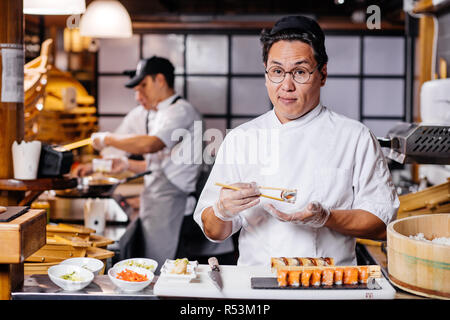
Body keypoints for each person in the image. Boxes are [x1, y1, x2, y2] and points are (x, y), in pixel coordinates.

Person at [193, 15, 399, 267]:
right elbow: (214, 231)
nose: (286, 85)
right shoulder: (241, 139)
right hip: (258, 287)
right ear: (266, 75)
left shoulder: (355, 137)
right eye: (277, 72)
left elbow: (381, 224)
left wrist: (325, 217)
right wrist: (222, 210)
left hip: (330, 286)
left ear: (322, 74)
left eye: (300, 72)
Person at [76, 56, 204, 270]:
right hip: (158, 200)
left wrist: (106, 138)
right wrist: (125, 164)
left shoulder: (180, 111)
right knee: (155, 267)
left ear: (160, 80)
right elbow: (160, 164)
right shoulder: (160, 113)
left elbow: (150, 145)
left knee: (164, 270)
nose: (139, 95)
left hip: (172, 203)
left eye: (144, 84)